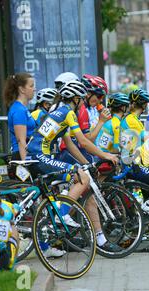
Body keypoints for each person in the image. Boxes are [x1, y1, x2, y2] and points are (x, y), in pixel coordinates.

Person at [27, 80, 119, 251]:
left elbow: (70, 144)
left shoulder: (61, 112)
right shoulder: (68, 113)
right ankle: (62, 214)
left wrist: (86, 163)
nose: (83, 102)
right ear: (75, 99)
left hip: (37, 155)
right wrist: (106, 155)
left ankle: (51, 227)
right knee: (82, 178)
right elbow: (84, 142)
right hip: (39, 156)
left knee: (80, 175)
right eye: (81, 99)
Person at [5, 73, 36, 161]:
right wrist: (26, 164)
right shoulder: (19, 110)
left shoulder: (22, 109)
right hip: (21, 155)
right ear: (22, 89)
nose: (34, 89)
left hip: (27, 153)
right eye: (31, 86)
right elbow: (21, 141)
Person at [120, 88, 149, 157]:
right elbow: (147, 139)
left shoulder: (133, 118)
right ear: (144, 105)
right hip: (131, 160)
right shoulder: (131, 120)